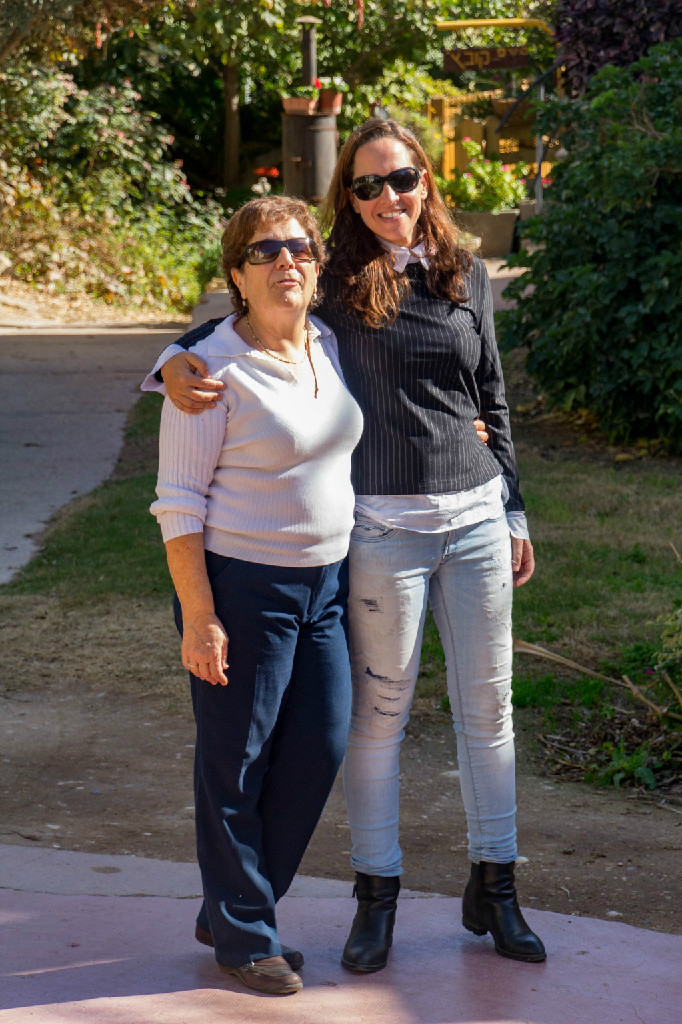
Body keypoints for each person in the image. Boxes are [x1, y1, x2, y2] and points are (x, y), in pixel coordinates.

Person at [151, 118, 545, 970]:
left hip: (474, 515)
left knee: (484, 711)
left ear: (426, 179)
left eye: (401, 178)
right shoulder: (336, 281)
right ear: (349, 200)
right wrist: (170, 361)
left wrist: (512, 506)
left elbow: (493, 397)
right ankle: (372, 901)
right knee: (373, 719)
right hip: (380, 530)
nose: (387, 196)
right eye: (367, 185)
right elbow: (245, 320)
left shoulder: (466, 274)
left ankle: (497, 889)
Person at [146, 195, 363, 995]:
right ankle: (244, 935)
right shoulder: (207, 372)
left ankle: (232, 906)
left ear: (318, 263)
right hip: (243, 587)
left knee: (319, 747)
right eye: (265, 252)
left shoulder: (328, 344)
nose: (285, 263)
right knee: (236, 763)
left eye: (299, 248)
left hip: (326, 588)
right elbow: (177, 502)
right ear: (237, 274)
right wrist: (200, 615)